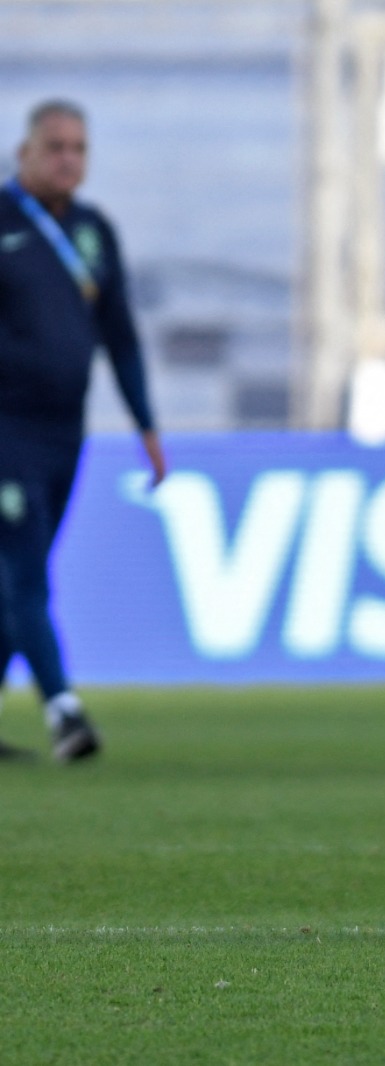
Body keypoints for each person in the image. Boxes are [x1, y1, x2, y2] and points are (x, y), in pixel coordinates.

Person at [0, 99, 165, 762]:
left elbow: (120, 338)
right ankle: (65, 712)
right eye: (56, 147)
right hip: (5, 430)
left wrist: (147, 425)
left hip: (65, 433)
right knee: (25, 573)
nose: (69, 159)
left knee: (20, 578)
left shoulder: (95, 231)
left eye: (79, 148)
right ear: (26, 154)